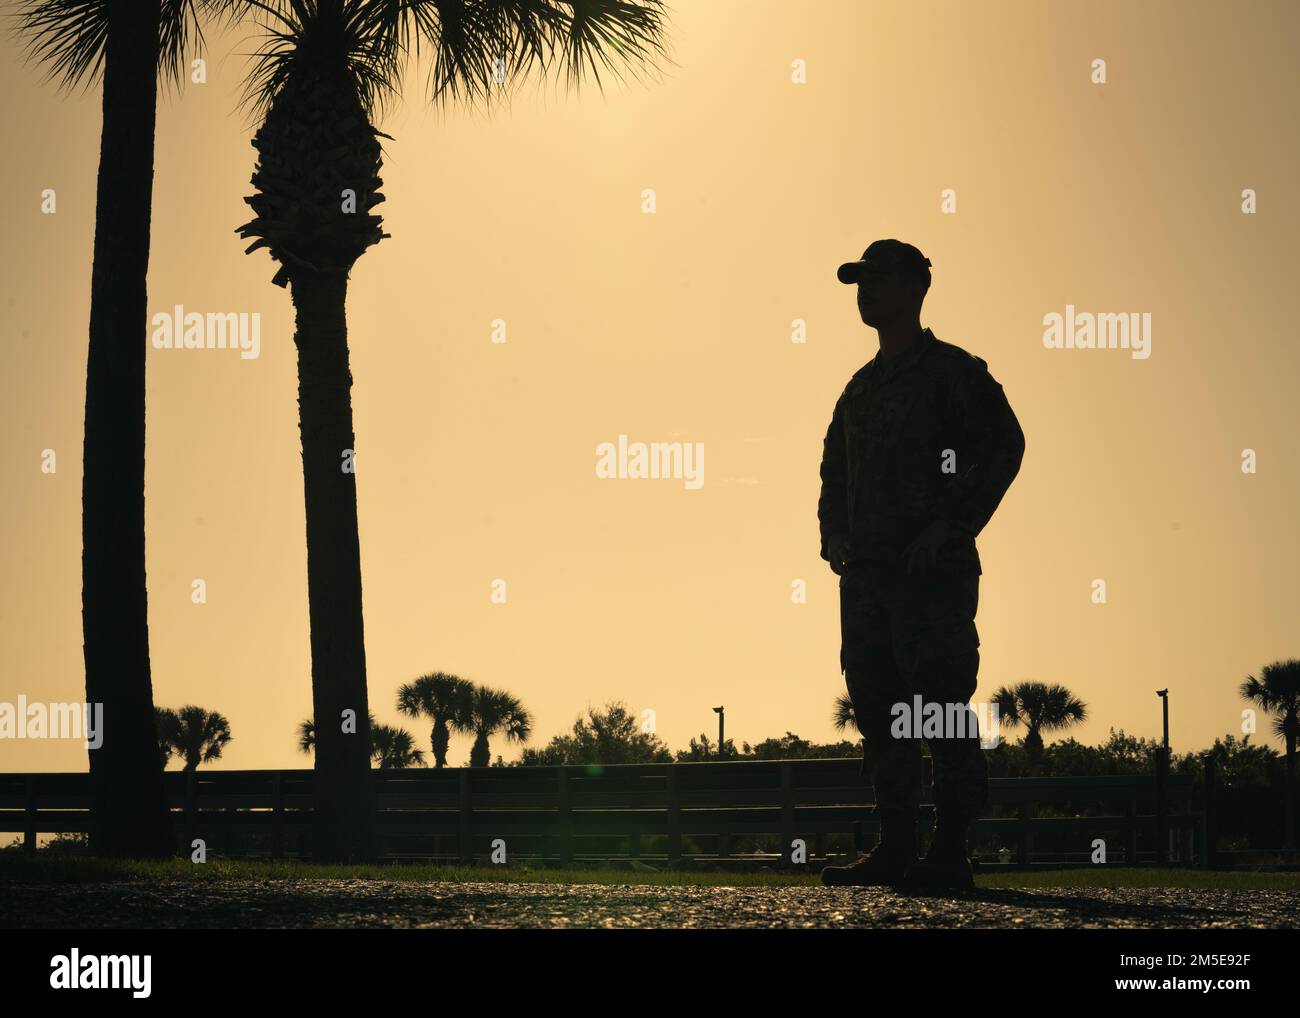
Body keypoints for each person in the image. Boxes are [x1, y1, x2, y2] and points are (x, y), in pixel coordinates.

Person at [818, 239, 1025, 892]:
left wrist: (953, 524)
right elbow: (833, 472)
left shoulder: (951, 374)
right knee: (880, 712)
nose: (865, 290)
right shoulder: (859, 390)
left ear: (914, 288)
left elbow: (1002, 445)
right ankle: (897, 845)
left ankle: (951, 848)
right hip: (868, 583)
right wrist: (834, 536)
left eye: (877, 279)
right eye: (860, 281)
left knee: (938, 707)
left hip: (930, 580)